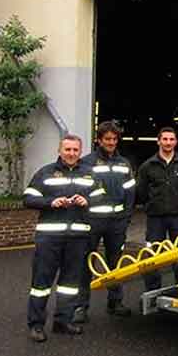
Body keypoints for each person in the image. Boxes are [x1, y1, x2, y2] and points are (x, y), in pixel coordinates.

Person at [24, 134, 97, 342]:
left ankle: (63, 321)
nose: (71, 153)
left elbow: (101, 197)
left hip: (78, 237)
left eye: (75, 150)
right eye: (67, 149)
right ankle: (36, 325)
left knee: (70, 283)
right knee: (41, 283)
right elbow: (28, 198)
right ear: (59, 150)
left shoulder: (89, 174)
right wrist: (51, 202)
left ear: (80, 151)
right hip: (49, 237)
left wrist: (87, 200)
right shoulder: (46, 173)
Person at [75, 121, 135, 322]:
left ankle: (115, 302)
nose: (111, 142)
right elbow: (81, 192)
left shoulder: (124, 163)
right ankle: (80, 307)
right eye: (107, 139)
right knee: (86, 263)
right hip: (92, 221)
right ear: (99, 140)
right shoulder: (86, 163)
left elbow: (130, 193)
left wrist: (126, 217)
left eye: (114, 139)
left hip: (117, 222)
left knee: (115, 263)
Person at [136, 127, 178, 291]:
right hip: (156, 218)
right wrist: (151, 205)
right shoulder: (147, 166)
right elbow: (141, 191)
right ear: (158, 141)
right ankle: (153, 292)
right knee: (153, 256)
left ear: (176, 142)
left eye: (171, 139)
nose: (168, 142)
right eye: (165, 139)